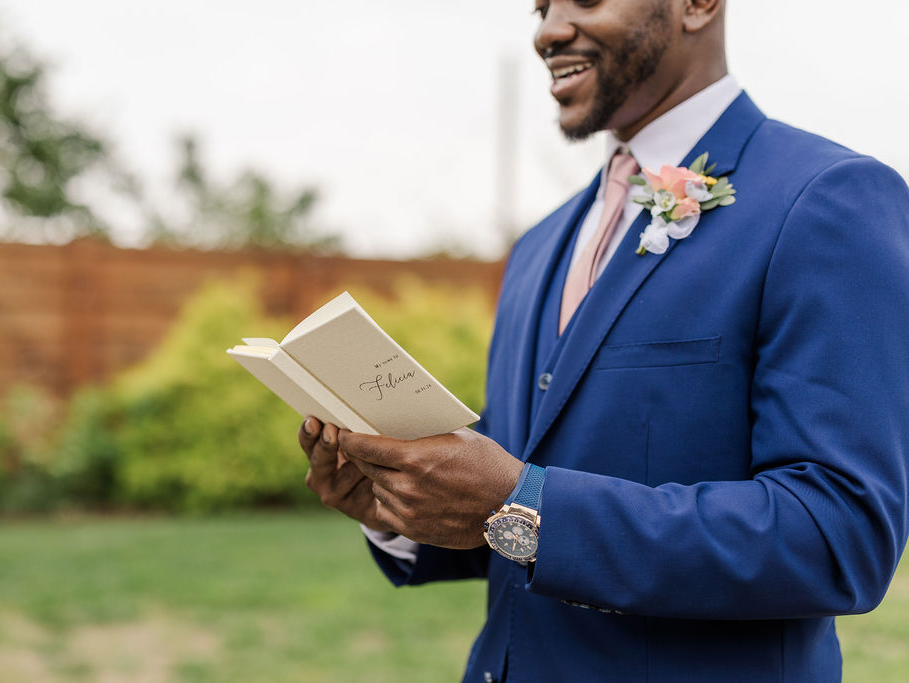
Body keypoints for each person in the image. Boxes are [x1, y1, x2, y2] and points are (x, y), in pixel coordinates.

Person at [299, 0, 909, 680]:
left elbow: (836, 536)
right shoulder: (537, 247)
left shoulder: (826, 199)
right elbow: (521, 491)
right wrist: (398, 505)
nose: (548, 30)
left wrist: (522, 502)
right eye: (540, 6)